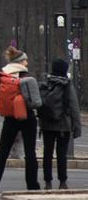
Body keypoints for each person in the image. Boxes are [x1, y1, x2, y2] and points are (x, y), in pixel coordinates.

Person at [0, 47, 42, 191]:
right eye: (25, 60)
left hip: (9, 118)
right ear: (20, 61)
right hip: (26, 116)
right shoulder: (25, 75)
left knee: (2, 152)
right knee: (30, 153)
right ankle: (32, 185)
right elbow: (34, 101)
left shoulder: (2, 75)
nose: (27, 62)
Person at [40, 58, 82, 190]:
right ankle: (62, 182)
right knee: (61, 154)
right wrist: (77, 128)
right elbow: (74, 107)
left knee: (47, 153)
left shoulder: (46, 83)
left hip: (47, 124)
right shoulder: (67, 85)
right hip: (63, 125)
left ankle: (47, 182)